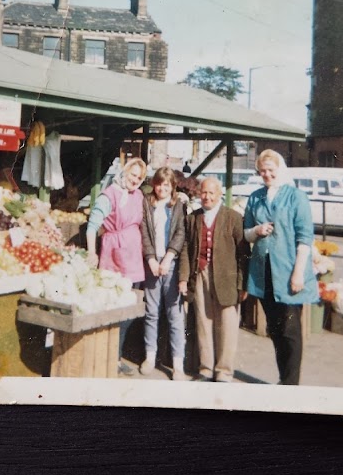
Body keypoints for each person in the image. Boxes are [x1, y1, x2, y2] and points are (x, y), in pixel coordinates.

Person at [243, 149, 319, 386]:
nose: (267, 175)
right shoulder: (255, 197)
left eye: (271, 170)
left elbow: (305, 237)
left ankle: (291, 384)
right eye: (262, 171)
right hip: (263, 273)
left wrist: (298, 273)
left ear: (280, 169)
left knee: (290, 331)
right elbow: (245, 233)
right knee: (275, 330)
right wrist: (256, 231)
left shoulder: (296, 197)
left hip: (288, 273)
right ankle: (283, 380)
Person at [178, 176, 248, 382]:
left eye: (211, 193)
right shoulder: (193, 218)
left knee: (227, 324)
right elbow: (185, 249)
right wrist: (183, 277)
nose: (207, 197)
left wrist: (243, 284)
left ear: (220, 195)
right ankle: (206, 369)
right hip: (200, 274)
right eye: (204, 193)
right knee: (203, 321)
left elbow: (244, 254)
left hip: (227, 278)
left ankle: (224, 371)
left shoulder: (233, 218)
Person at [86, 157, 147, 375]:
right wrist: (92, 252)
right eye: (133, 175)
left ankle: (116, 354)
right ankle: (109, 357)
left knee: (130, 307)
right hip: (113, 256)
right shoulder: (109, 194)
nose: (135, 180)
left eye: (140, 177)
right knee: (112, 306)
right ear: (125, 172)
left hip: (134, 257)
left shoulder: (138, 196)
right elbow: (92, 226)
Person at [140, 167, 187, 381]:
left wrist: (168, 257)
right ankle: (150, 357)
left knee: (174, 314)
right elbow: (144, 233)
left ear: (172, 186)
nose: (162, 188)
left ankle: (178, 364)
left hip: (171, 264)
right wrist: (150, 258)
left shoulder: (178, 206)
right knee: (151, 312)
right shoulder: (146, 205)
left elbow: (180, 233)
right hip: (152, 264)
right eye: (159, 184)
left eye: (166, 185)